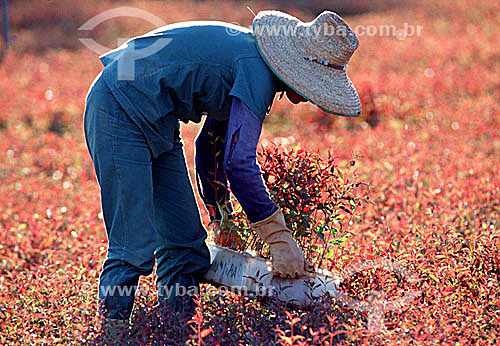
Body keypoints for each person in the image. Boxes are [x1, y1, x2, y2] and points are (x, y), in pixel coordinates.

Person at [83, 9, 361, 337]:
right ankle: (111, 334)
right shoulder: (256, 72)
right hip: (118, 108)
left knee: (185, 244)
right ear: (299, 68)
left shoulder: (252, 65)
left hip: (158, 120)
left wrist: (221, 216)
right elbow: (239, 164)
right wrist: (278, 237)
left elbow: (210, 147)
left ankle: (176, 331)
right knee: (133, 243)